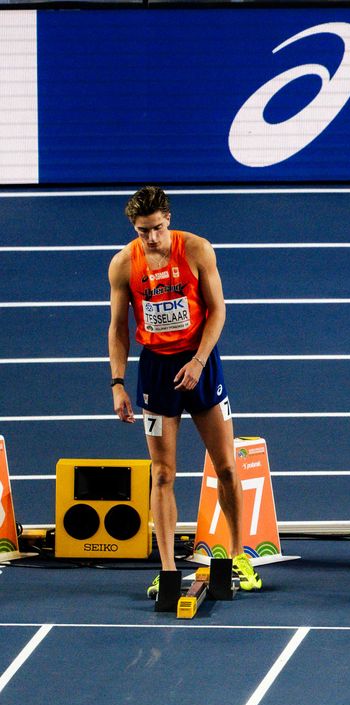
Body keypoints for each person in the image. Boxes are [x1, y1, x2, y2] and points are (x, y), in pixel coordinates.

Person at [107, 186, 260, 597]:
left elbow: (218, 310)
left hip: (201, 363)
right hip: (156, 371)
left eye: (157, 228)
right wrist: (118, 382)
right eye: (143, 231)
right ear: (134, 228)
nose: (152, 238)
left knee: (226, 465)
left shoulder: (196, 250)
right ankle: (169, 569)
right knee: (163, 474)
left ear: (168, 220)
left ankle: (238, 555)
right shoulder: (124, 265)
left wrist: (198, 361)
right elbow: (119, 329)